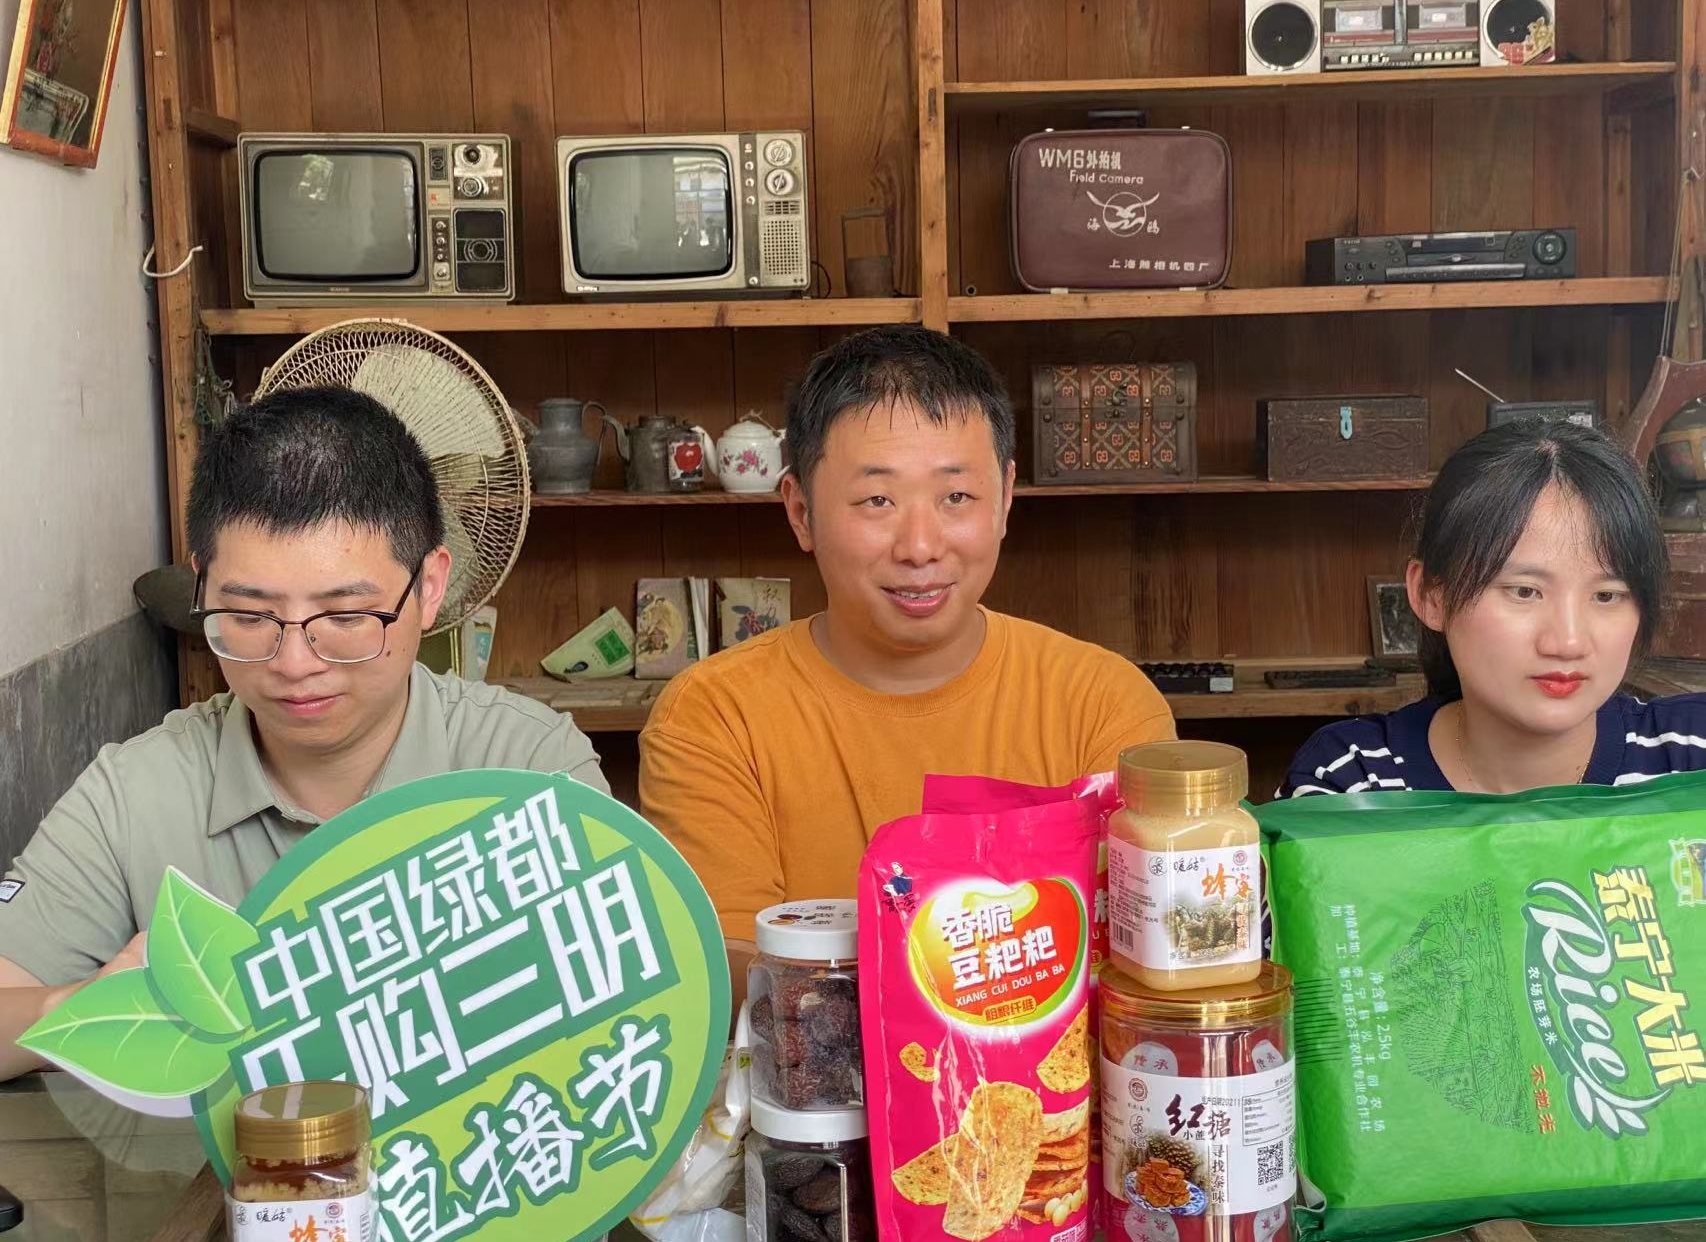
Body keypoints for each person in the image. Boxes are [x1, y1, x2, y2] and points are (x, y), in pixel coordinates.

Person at [0, 386, 607, 1080]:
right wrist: (85, 1006)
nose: (294, 664)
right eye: (248, 616)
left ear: (430, 586)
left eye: (346, 617)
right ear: (202, 587)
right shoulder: (132, 795)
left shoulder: (530, 768)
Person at [639, 325, 1176, 954]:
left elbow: (1149, 960)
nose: (920, 547)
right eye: (877, 499)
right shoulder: (713, 718)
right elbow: (736, 978)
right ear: (801, 512)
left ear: (1005, 499)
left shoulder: (1103, 704)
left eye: (957, 496)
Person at [1279, 419, 1706, 797]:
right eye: (1524, 591)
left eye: (1606, 596)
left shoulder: (1692, 756)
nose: (1568, 642)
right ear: (1431, 595)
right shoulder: (1353, 781)